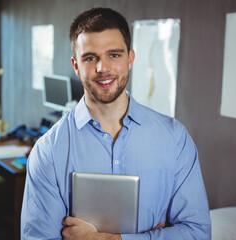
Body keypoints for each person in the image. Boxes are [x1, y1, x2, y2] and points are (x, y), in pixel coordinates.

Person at [21, 7, 211, 240]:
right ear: (76, 65)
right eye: (90, 58)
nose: (103, 68)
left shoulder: (175, 139)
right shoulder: (48, 151)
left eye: (114, 55)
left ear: (130, 58)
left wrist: (107, 239)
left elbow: (197, 234)